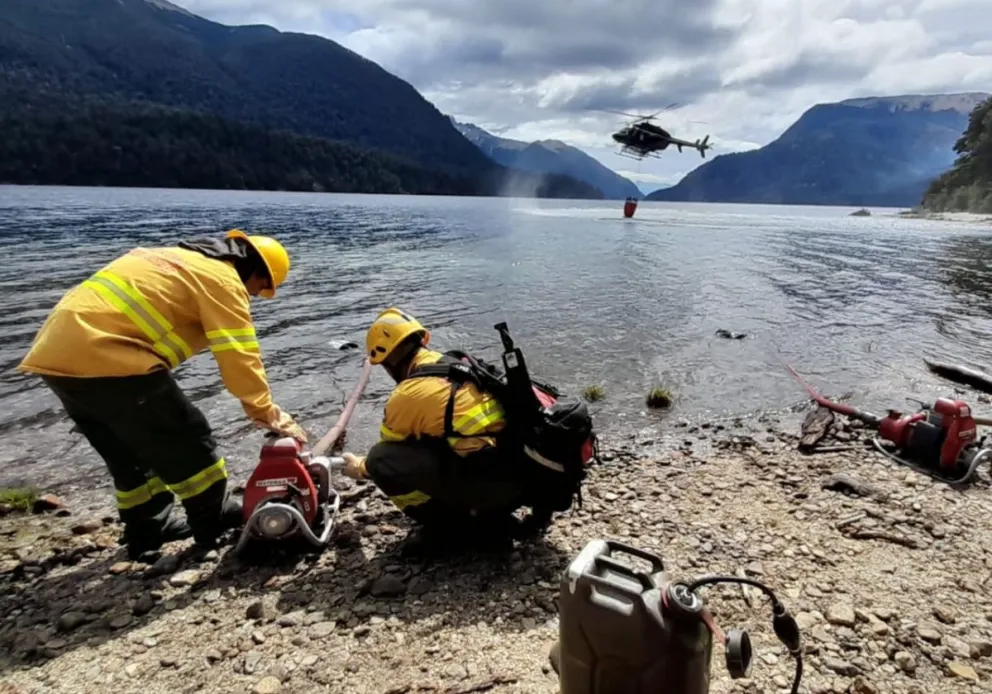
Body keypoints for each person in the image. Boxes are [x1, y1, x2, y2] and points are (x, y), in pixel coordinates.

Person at [18, 229, 307, 559]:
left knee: (127, 451)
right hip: (109, 357)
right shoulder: (223, 280)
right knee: (187, 436)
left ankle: (147, 530)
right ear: (255, 271)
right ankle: (212, 520)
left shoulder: (164, 257)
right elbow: (239, 355)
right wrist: (267, 412)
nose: (254, 296)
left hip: (53, 357)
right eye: (259, 289)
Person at [340, 307, 562, 547]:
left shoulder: (407, 395)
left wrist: (358, 468)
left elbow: (390, 451)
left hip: (497, 487)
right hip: (530, 478)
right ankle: (506, 513)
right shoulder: (459, 363)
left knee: (380, 459)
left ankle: (454, 528)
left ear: (389, 361)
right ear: (422, 339)